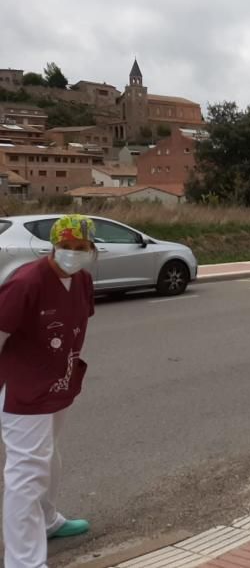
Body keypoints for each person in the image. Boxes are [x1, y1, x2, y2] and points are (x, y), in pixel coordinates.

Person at [0, 215, 97, 568]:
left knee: (49, 458)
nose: (73, 254)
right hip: (24, 391)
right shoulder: (27, 281)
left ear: (91, 250)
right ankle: (23, 562)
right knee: (26, 473)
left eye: (81, 248)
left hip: (58, 383)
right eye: (66, 247)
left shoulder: (83, 280)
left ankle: (48, 520)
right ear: (53, 246)